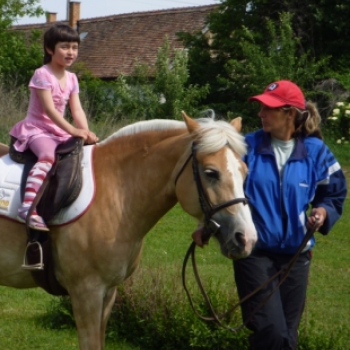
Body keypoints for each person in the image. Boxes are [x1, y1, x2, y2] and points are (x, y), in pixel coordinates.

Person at [192, 80, 347, 350]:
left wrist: (323, 212)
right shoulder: (246, 147)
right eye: (261, 107)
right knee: (271, 333)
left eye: (268, 108)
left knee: (288, 336)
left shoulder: (315, 152)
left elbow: (333, 193)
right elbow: (226, 194)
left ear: (290, 114)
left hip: (297, 257)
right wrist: (209, 227)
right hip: (255, 253)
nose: (261, 114)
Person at [10, 23, 98, 231]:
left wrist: (85, 131)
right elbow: (49, 110)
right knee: (47, 156)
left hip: (59, 131)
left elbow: (77, 110)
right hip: (38, 129)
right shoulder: (42, 74)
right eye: (65, 47)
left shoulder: (72, 78)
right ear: (50, 49)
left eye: (75, 47)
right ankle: (28, 208)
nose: (71, 52)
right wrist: (73, 131)